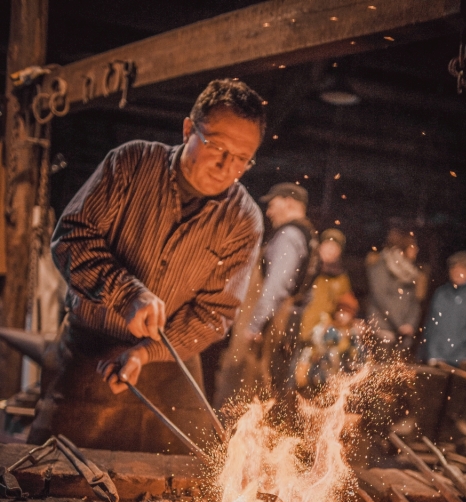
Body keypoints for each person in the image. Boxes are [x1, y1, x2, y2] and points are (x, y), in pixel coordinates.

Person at [28, 78, 266, 453]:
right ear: (189, 129)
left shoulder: (244, 220)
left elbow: (214, 313)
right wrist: (126, 295)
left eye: (241, 158)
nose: (226, 166)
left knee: (174, 490)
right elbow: (71, 238)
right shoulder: (132, 163)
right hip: (88, 348)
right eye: (217, 146)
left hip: (169, 366)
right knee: (49, 472)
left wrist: (143, 352)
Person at [217, 182, 317, 402]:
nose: (269, 211)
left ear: (289, 202)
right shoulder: (307, 234)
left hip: (265, 324)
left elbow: (277, 284)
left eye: (273, 204)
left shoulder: (289, 235)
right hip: (280, 320)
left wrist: (255, 324)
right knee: (258, 387)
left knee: (241, 385)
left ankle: (225, 433)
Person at [421, 250, 466, 366]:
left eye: (461, 268)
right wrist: (428, 353)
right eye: (453, 268)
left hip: (463, 360)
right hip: (438, 359)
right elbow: (431, 325)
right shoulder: (441, 294)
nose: (456, 272)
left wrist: (461, 338)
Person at [295, 292, 366, 392]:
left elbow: (359, 351)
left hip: (341, 372)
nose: (341, 315)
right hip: (323, 370)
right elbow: (329, 339)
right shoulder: (329, 326)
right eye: (340, 312)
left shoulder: (353, 332)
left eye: (345, 313)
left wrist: (358, 337)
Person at [366, 229, 421, 354]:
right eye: (413, 246)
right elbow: (381, 298)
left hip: (403, 334)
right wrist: (400, 324)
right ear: (403, 248)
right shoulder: (382, 267)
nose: (416, 249)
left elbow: (414, 302)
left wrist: (410, 324)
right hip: (382, 329)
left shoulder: (409, 273)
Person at [299, 228, 352, 343]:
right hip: (298, 325)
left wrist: (345, 312)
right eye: (328, 244)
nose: (330, 250)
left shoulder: (340, 276)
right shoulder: (308, 268)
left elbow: (346, 299)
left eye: (335, 247)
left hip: (321, 331)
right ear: (320, 246)